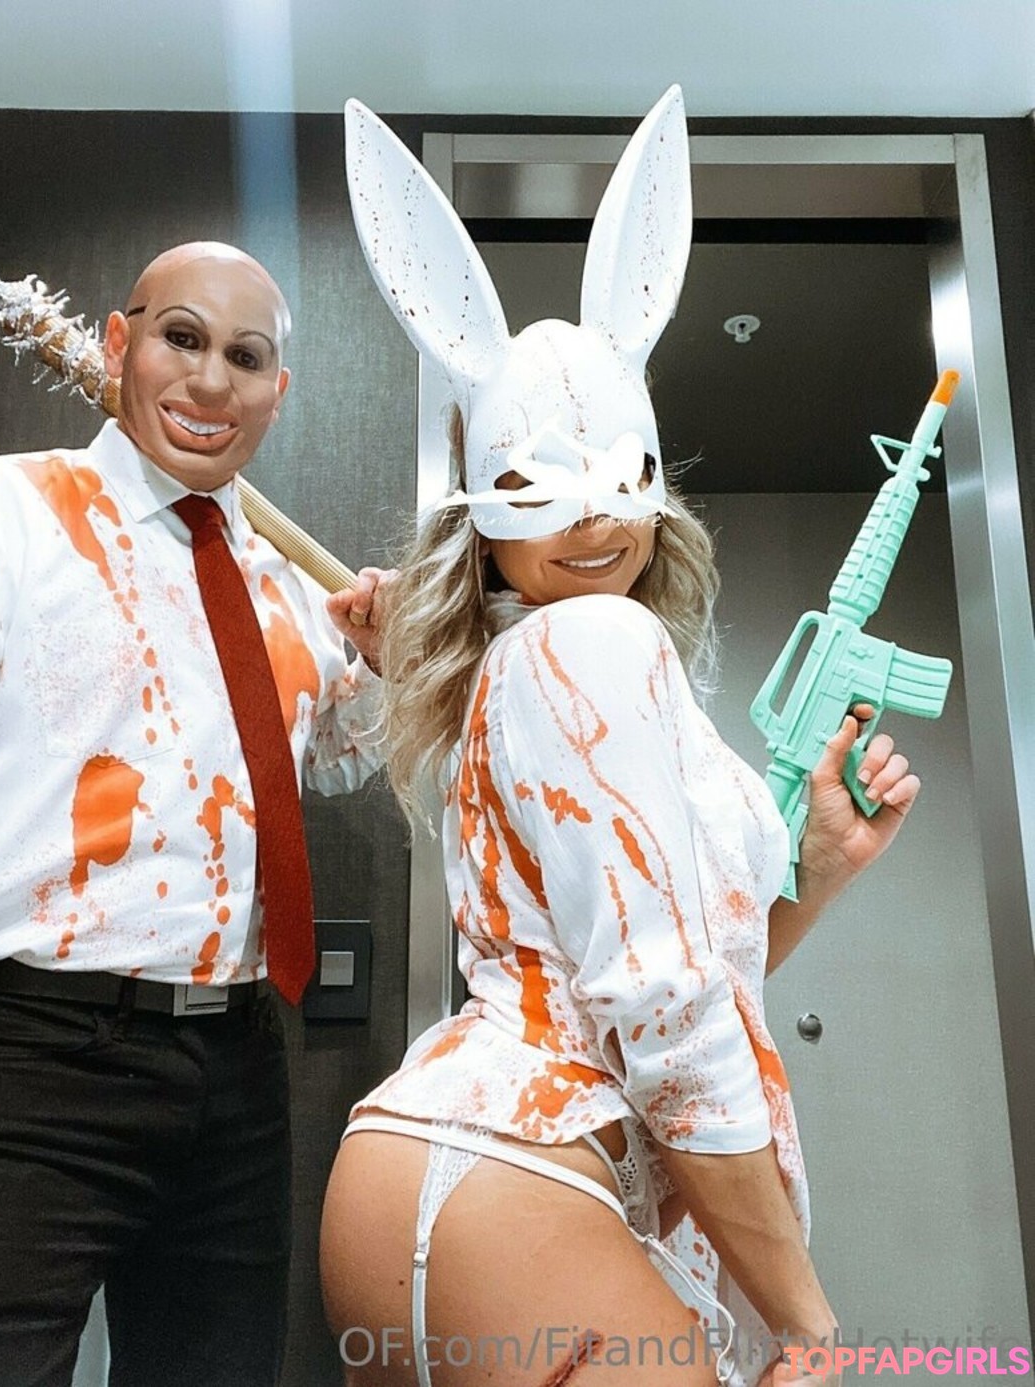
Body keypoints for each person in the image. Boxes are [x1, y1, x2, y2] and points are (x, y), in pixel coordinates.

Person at [318, 91, 922, 1387]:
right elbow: (670, 1010)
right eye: (534, 488)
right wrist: (808, 1319)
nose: (589, 519)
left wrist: (815, 865)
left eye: (615, 478)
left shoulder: (519, 670)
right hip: (528, 1181)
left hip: (429, 1171)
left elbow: (646, 966)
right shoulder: (598, 644)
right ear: (484, 520)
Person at [0, 242, 389, 1386]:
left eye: (244, 357)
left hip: (238, 1063)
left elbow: (335, 763)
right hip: (28, 1054)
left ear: (277, 390)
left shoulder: (284, 584)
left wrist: (396, 661)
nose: (209, 380)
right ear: (118, 343)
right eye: (181, 338)